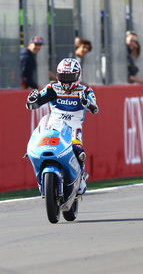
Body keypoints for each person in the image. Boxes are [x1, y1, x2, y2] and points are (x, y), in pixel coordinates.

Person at [26, 58, 99, 195]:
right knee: (41, 147)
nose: (66, 81)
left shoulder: (85, 90)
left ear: (77, 76)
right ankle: (41, 176)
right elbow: (32, 106)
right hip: (53, 125)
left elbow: (95, 109)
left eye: (69, 77)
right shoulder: (52, 88)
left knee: (78, 149)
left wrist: (86, 102)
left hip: (73, 127)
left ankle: (81, 175)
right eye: (63, 77)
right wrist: (31, 100)